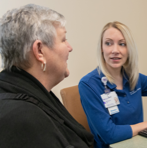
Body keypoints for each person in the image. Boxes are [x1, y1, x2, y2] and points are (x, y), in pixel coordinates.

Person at [0, 4, 93, 148]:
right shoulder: (24, 119)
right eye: (63, 39)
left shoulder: (26, 93)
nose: (70, 47)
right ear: (39, 51)